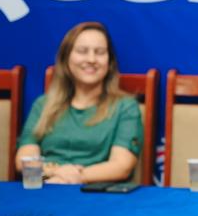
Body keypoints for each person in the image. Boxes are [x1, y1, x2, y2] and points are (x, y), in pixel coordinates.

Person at [15, 22, 141, 185]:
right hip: (46, 186)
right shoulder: (43, 105)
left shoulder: (125, 107)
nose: (91, 59)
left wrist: (76, 177)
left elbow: (121, 167)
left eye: (100, 52)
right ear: (66, 58)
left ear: (109, 62)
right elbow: (23, 164)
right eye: (82, 51)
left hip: (97, 193)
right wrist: (54, 173)